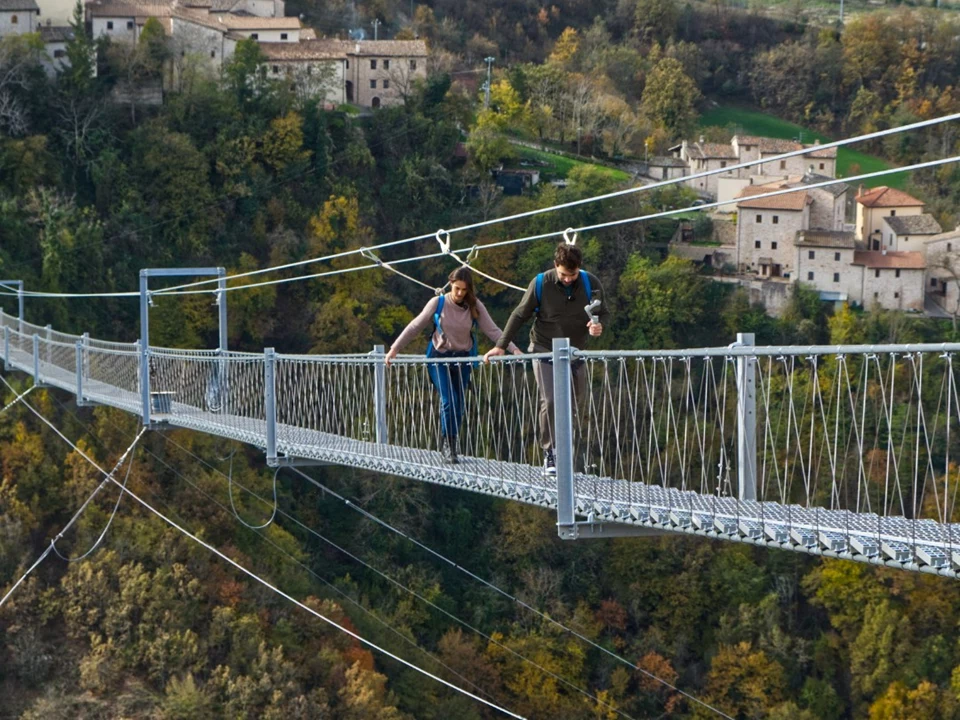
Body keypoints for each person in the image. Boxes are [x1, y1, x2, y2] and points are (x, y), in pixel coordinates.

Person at [483, 242, 607, 476]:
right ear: (555, 266)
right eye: (563, 274)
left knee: (574, 402)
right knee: (550, 400)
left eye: (572, 275)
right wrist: (501, 346)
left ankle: (566, 452)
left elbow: (603, 313)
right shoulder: (541, 283)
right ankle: (550, 452)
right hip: (544, 348)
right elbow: (520, 314)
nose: (568, 279)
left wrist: (598, 326)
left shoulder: (591, 283)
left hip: (574, 352)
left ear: (579, 268)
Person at [386, 267, 521, 464]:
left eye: (464, 290)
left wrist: (514, 349)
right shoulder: (438, 303)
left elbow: (493, 330)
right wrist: (394, 349)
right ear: (450, 284)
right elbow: (415, 326)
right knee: (448, 400)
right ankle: (447, 444)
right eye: (456, 288)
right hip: (438, 358)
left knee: (459, 404)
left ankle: (453, 441)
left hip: (462, 359)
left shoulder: (475, 306)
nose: (459, 294)